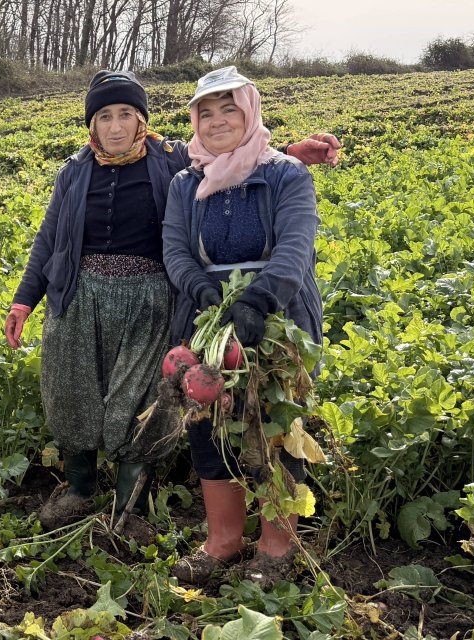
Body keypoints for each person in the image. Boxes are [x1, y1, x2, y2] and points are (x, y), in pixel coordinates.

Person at [4, 70, 337, 534]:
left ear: (142, 120)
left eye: (126, 114)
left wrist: (292, 153)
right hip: (81, 298)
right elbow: (47, 239)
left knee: (138, 401)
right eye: (104, 116)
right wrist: (25, 300)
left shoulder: (171, 160)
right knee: (69, 395)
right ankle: (79, 490)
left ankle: (129, 510)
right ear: (91, 124)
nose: (115, 127)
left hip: (148, 299)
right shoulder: (74, 171)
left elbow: (233, 150)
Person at [161, 66, 324, 587]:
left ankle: (276, 548)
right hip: (205, 317)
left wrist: (258, 299)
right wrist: (205, 292)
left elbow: (296, 248)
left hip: (278, 317)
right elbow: (175, 251)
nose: (216, 121)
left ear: (250, 111)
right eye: (205, 113)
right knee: (209, 427)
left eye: (228, 109)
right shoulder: (186, 182)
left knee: (276, 430)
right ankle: (223, 542)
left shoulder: (285, 175)